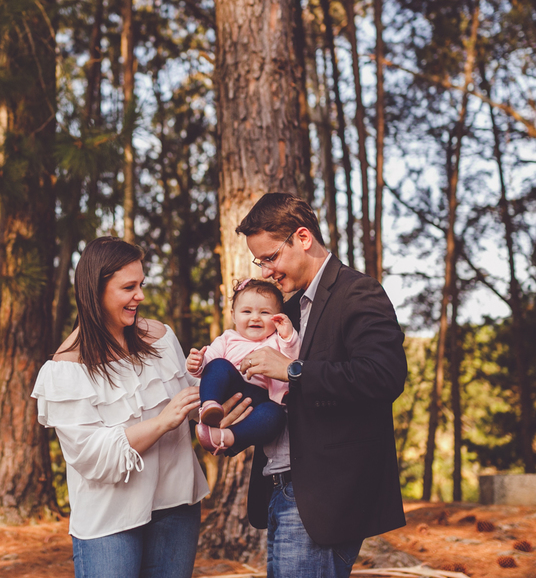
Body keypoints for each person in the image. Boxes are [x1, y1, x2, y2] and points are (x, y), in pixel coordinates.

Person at [234, 193, 407, 578]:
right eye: (259, 261)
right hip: (279, 488)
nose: (264, 271)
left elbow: (385, 374)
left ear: (303, 237)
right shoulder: (289, 310)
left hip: (324, 496)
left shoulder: (359, 292)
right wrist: (232, 424)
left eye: (270, 257)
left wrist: (295, 370)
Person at [32, 236, 211, 578]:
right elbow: (92, 457)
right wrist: (163, 422)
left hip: (176, 506)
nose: (140, 296)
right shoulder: (65, 368)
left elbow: (190, 399)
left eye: (141, 284)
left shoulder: (161, 339)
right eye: (129, 287)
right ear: (95, 292)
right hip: (110, 522)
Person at [187, 277, 300, 455]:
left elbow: (291, 361)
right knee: (218, 366)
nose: (255, 318)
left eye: (264, 313)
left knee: (275, 416)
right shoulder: (227, 338)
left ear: (278, 317)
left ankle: (228, 437)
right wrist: (197, 363)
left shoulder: (276, 341)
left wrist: (288, 336)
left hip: (261, 399)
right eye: (246, 311)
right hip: (231, 388)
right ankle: (209, 407)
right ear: (233, 315)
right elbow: (208, 365)